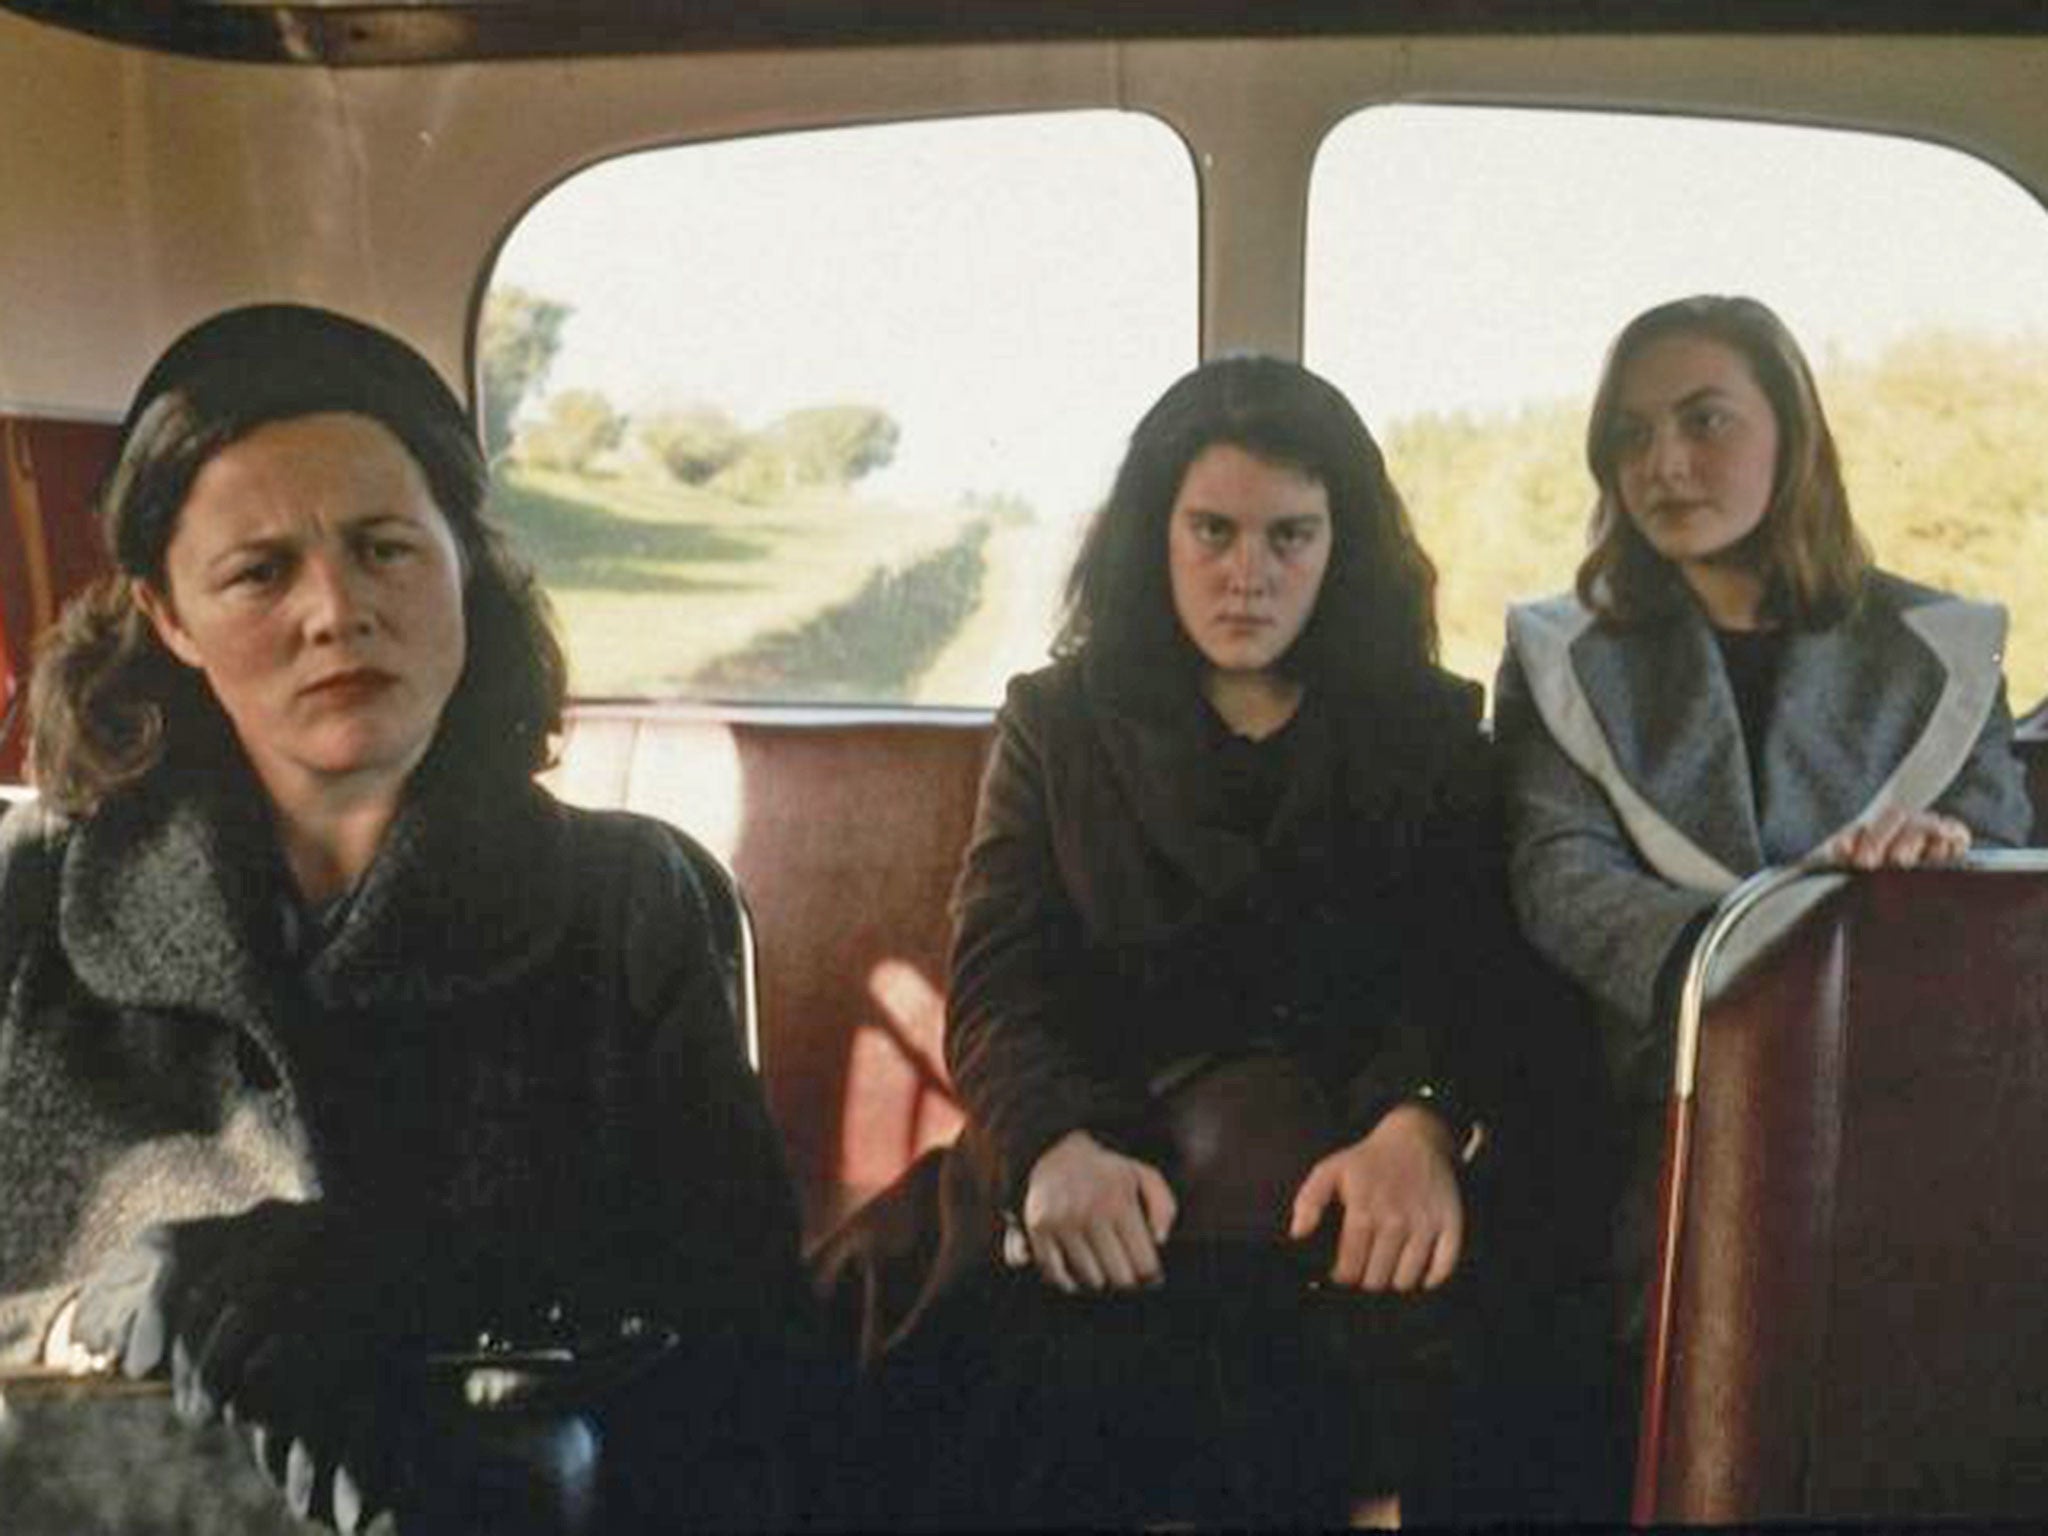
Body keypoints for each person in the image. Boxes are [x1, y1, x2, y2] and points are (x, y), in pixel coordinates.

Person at [0, 304, 821, 1532]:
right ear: (170, 617)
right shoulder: (25, 893)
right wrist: (78, 1324)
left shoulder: (630, 904)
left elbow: (755, 1370)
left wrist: (446, 1290)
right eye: (259, 571)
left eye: (385, 548)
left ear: (463, 570)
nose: (336, 610)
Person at [825, 355, 1510, 1527]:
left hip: (1339, 1170)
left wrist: (1420, 1120)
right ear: (1156, 534)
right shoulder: (1057, 722)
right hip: (1098, 1146)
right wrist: (1052, 1146)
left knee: (1460, 1363)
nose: (1248, 574)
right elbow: (998, 977)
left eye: (1290, 536)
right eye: (1212, 531)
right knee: (973, 1355)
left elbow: (1465, 970)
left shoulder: (1431, 733)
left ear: (1340, 545)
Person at [1493, 293, 2034, 1450]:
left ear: (1790, 436)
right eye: (1630, 435)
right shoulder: (1558, 653)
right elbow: (1558, 878)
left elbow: (1997, 867)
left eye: (1704, 422)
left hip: (1887, 1099)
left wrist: (1936, 870)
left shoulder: (1937, 652)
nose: (1664, 464)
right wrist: (1772, 948)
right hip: (1647, 1091)